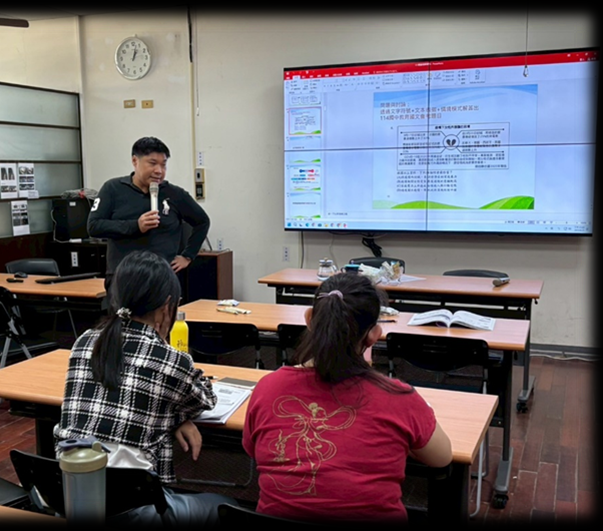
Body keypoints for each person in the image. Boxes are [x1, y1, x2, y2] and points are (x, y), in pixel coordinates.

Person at [242, 272, 453, 524]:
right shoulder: (400, 398)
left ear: (309, 320)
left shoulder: (267, 387)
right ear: (374, 335)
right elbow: (441, 458)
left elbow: (253, 449)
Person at [54, 249, 237, 525]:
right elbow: (205, 399)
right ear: (167, 306)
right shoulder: (169, 359)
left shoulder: (85, 341)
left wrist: (170, 416)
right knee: (228, 506)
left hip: (69, 493)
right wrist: (175, 417)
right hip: (131, 506)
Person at [87, 136, 210, 297]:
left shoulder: (174, 194)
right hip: (124, 278)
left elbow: (202, 222)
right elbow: (94, 226)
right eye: (152, 163)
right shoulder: (113, 189)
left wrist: (188, 256)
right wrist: (136, 225)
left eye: (163, 165)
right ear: (135, 161)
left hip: (162, 278)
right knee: (123, 314)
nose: (159, 170)